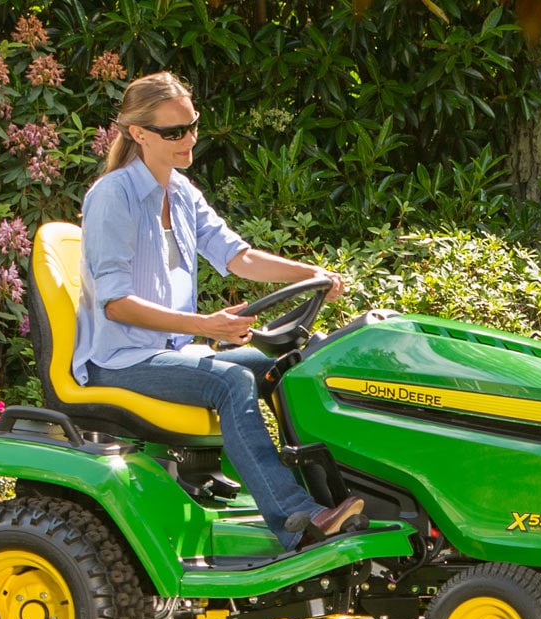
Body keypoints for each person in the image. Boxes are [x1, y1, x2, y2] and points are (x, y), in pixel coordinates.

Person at [74, 71, 365, 551]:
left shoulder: (183, 193)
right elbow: (116, 303)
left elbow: (238, 257)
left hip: (170, 351)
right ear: (138, 134)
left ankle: (338, 499)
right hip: (120, 361)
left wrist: (309, 273)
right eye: (174, 132)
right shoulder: (112, 197)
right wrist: (205, 327)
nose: (188, 139)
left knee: (289, 363)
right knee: (229, 380)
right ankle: (297, 518)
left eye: (192, 126)